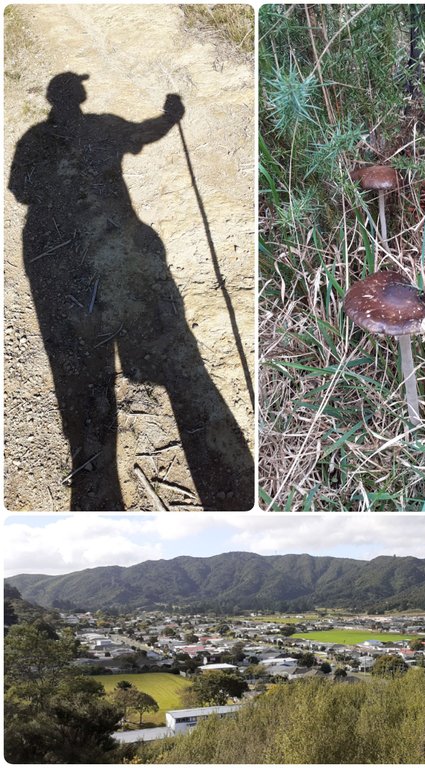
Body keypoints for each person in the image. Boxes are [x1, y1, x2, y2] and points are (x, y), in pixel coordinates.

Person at [8, 72, 254, 510]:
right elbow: (145, 132)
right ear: (78, 95)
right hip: (107, 242)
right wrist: (170, 116)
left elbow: (19, 189)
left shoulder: (33, 138)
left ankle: (91, 462)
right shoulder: (101, 125)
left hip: (56, 250)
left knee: (81, 353)